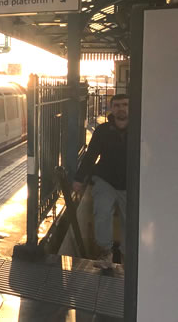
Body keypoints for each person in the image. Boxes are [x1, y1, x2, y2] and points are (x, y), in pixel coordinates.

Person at [73, 93, 129, 269]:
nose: (122, 108)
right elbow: (91, 156)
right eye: (118, 105)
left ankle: (129, 255)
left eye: (126, 105)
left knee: (131, 220)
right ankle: (106, 252)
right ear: (112, 109)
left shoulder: (141, 129)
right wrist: (79, 179)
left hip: (132, 183)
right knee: (102, 212)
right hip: (105, 179)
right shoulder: (102, 130)